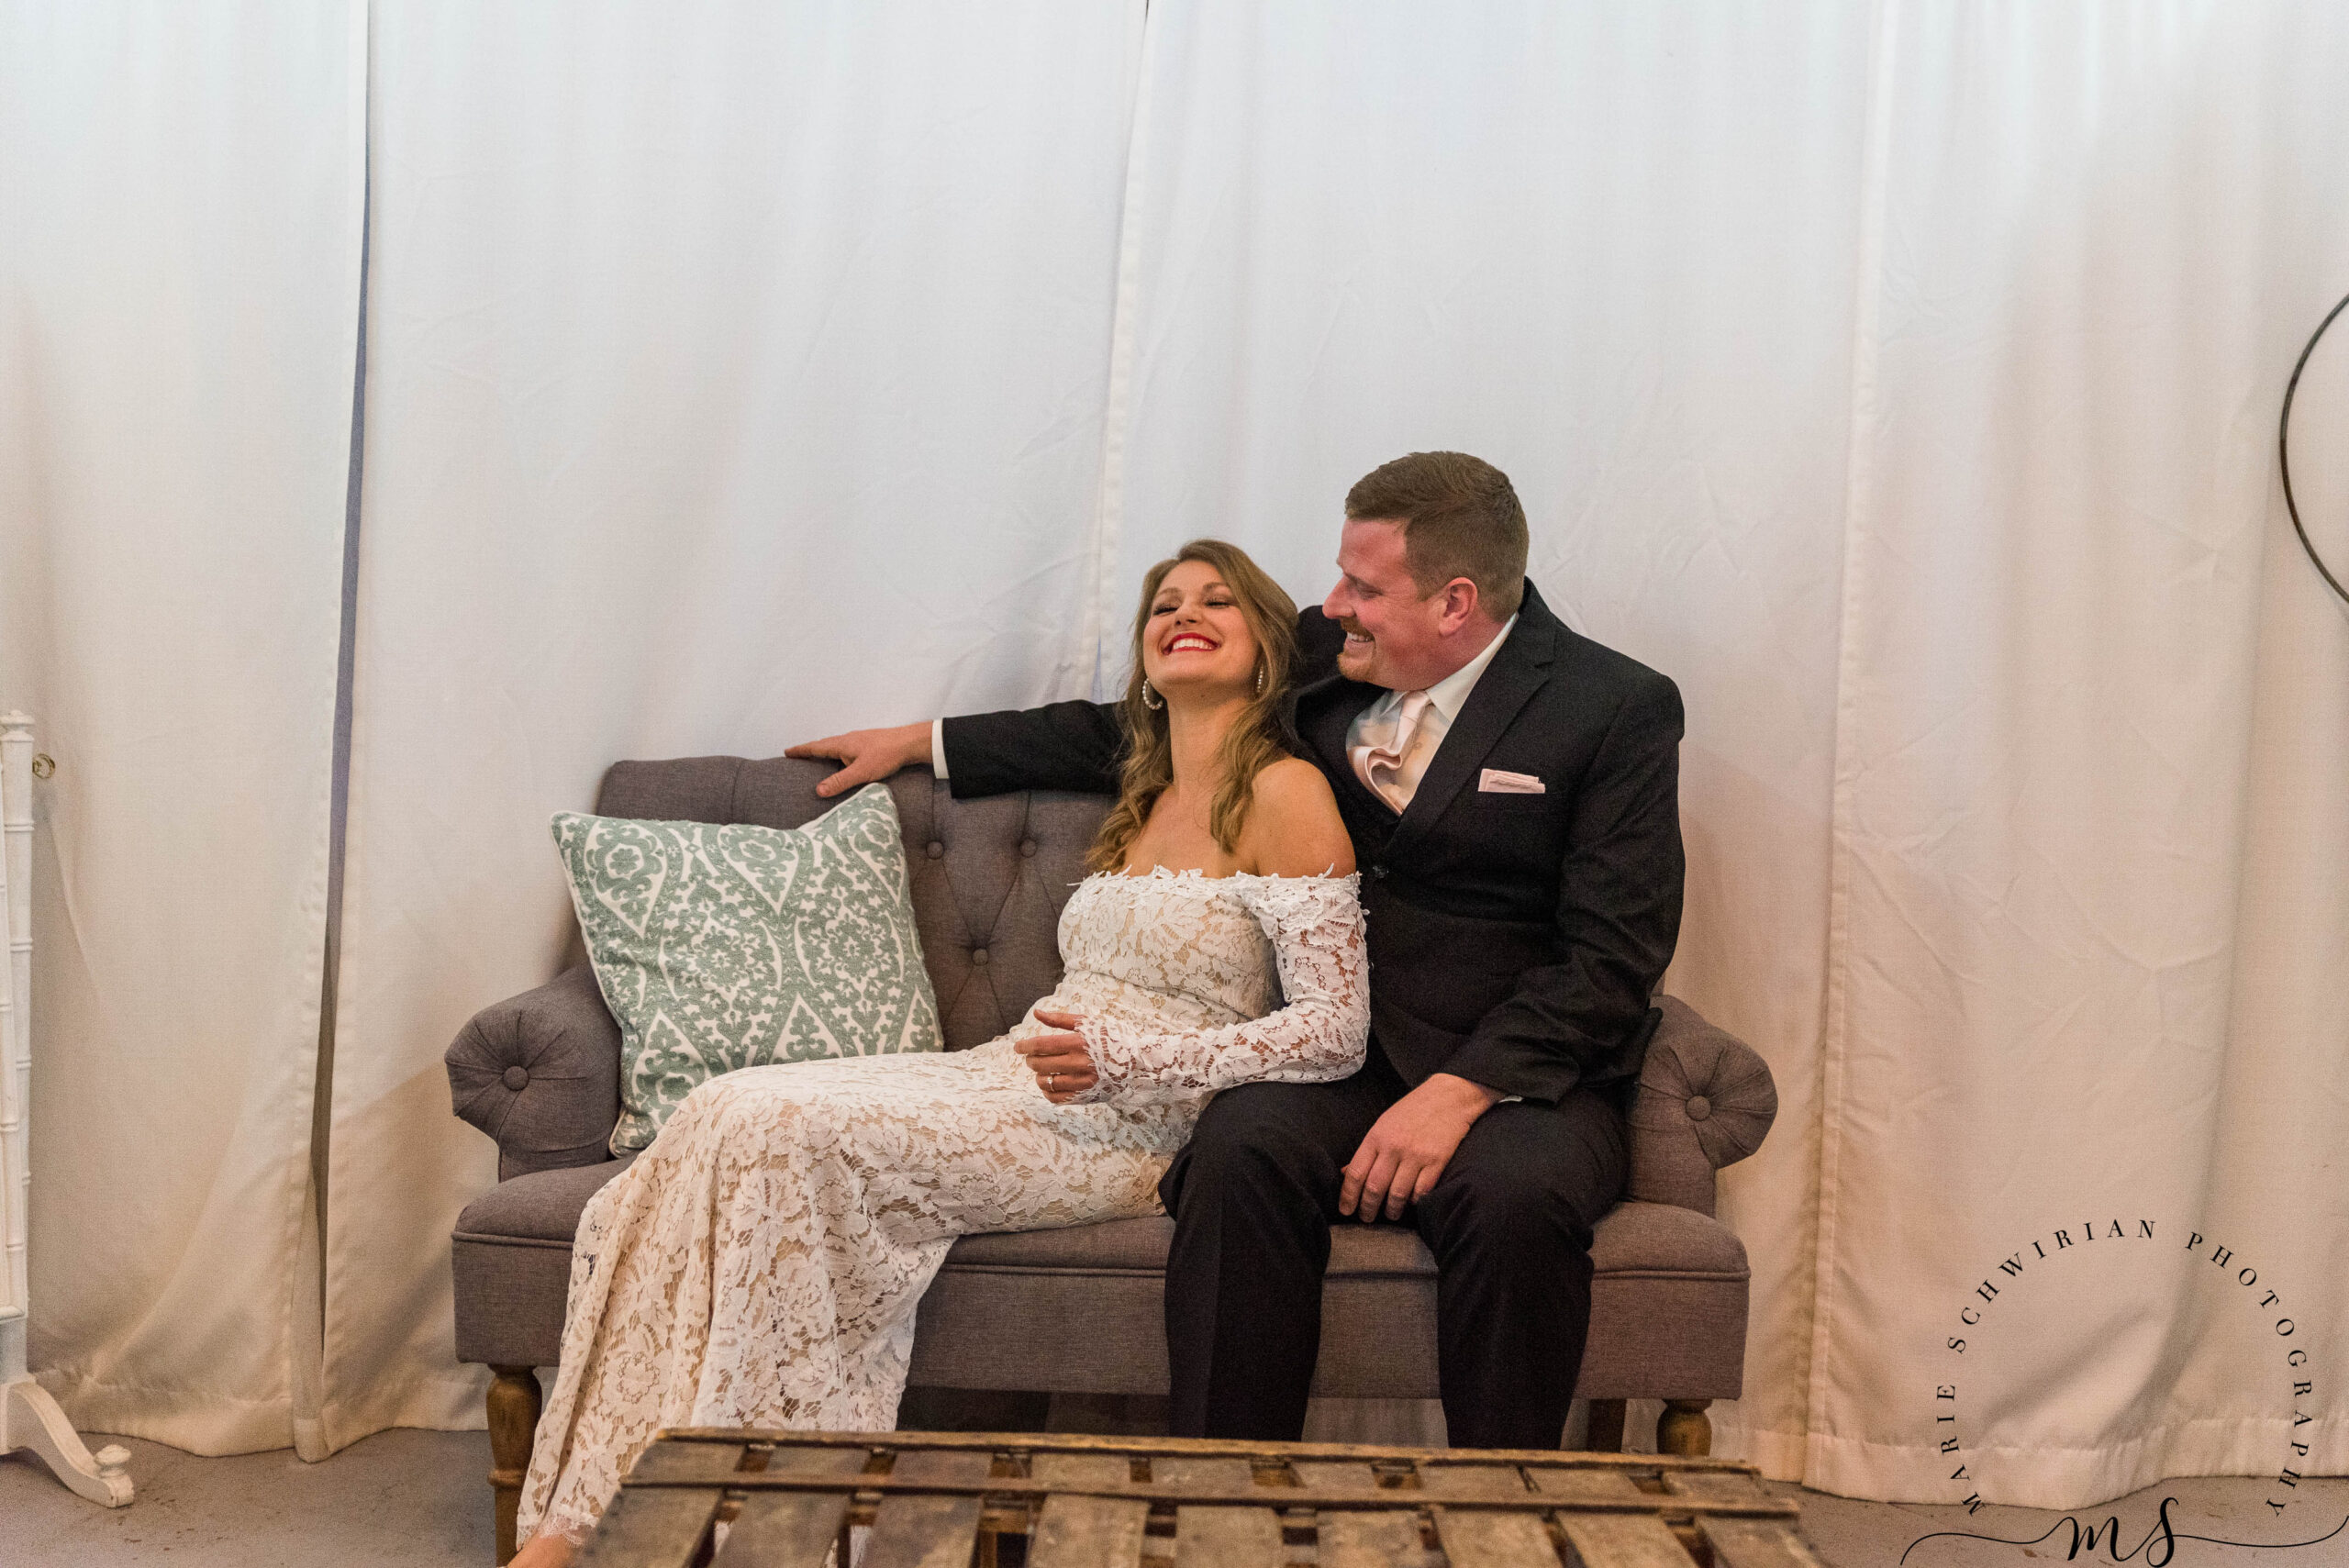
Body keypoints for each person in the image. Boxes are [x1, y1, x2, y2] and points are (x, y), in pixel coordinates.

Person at [793, 450, 1683, 1450]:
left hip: (1522, 1078)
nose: (1332, 602)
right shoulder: (1330, 654)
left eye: (1363, 586)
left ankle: (1501, 1519)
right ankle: (1221, 1489)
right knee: (1236, 1148)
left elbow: (1614, 953)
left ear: (1455, 602)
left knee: (1509, 1201)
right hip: (1345, 1055)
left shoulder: (1613, 707)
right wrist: (927, 740)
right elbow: (1147, 721)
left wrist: (1462, 1089)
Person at [509, 540, 1365, 1565]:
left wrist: (1133, 1063)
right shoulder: (1144, 796)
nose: (1185, 611)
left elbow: (1335, 1029)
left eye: (1218, 599)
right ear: (1143, 661)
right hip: (1016, 1073)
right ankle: (584, 1522)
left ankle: (743, 1532)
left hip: (1132, 1122)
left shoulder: (1287, 792)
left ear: (1271, 648)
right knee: (724, 1104)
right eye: (1165, 603)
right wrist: (918, 742)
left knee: (779, 1127)